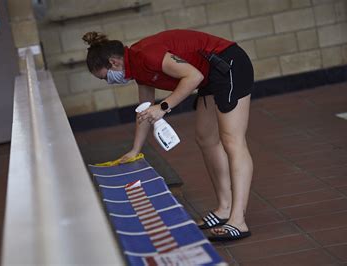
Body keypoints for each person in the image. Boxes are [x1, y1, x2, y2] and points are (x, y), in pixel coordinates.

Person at [82, 29, 254, 241]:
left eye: (105, 77)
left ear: (114, 63)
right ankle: (224, 208)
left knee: (232, 141)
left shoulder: (146, 55)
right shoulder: (137, 67)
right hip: (211, 75)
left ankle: (238, 221)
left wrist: (163, 106)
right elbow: (145, 110)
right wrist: (135, 150)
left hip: (229, 64)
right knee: (205, 138)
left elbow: (193, 76)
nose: (109, 81)